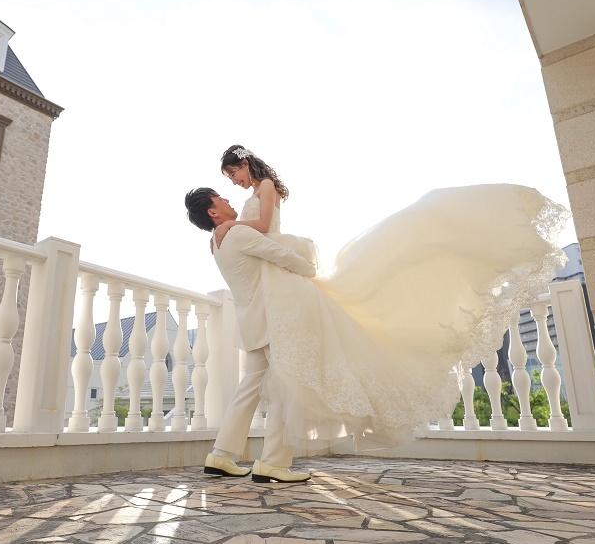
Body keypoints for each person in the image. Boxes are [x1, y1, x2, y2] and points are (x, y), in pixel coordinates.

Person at [201, 144, 571, 452]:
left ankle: (236, 455)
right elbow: (263, 241)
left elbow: (265, 228)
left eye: (233, 174)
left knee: (287, 375)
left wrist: (233, 224)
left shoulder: (261, 191)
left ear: (245, 164)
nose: (233, 183)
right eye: (227, 182)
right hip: (275, 298)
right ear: (213, 212)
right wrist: (240, 229)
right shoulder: (234, 226)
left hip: (275, 297)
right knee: (287, 378)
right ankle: (258, 459)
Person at [185, 187, 317, 483]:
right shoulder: (237, 233)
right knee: (284, 386)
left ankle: (220, 455)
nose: (227, 199)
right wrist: (311, 270)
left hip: (251, 323)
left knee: (248, 390)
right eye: (220, 198)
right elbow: (280, 255)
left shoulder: (217, 242)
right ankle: (273, 463)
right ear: (212, 211)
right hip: (271, 321)